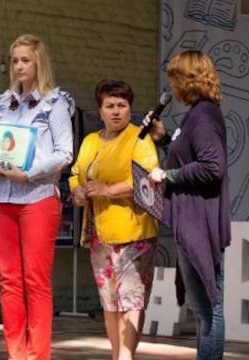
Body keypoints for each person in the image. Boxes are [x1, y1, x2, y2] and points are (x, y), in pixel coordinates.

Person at [0, 34, 74, 360]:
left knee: (36, 281)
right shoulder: (4, 102)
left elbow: (65, 152)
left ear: (39, 63)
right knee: (9, 282)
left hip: (38, 197)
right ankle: (15, 354)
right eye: (15, 60)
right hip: (2, 199)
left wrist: (29, 173)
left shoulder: (55, 102)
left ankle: (37, 356)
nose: (19, 66)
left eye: (25, 60)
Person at [145, 51, 231, 360]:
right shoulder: (196, 114)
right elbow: (190, 158)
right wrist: (163, 138)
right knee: (202, 308)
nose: (172, 87)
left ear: (186, 80)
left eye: (174, 80)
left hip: (199, 220)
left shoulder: (204, 116)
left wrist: (166, 175)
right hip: (190, 217)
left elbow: (212, 167)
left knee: (209, 307)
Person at [69, 80, 159, 360]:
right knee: (109, 301)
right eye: (110, 106)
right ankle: (116, 354)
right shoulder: (90, 141)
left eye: (122, 105)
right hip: (100, 233)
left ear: (130, 109)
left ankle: (126, 356)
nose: (116, 111)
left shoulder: (139, 138)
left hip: (134, 232)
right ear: (100, 110)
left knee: (131, 299)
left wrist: (108, 191)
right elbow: (76, 173)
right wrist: (77, 191)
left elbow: (148, 179)